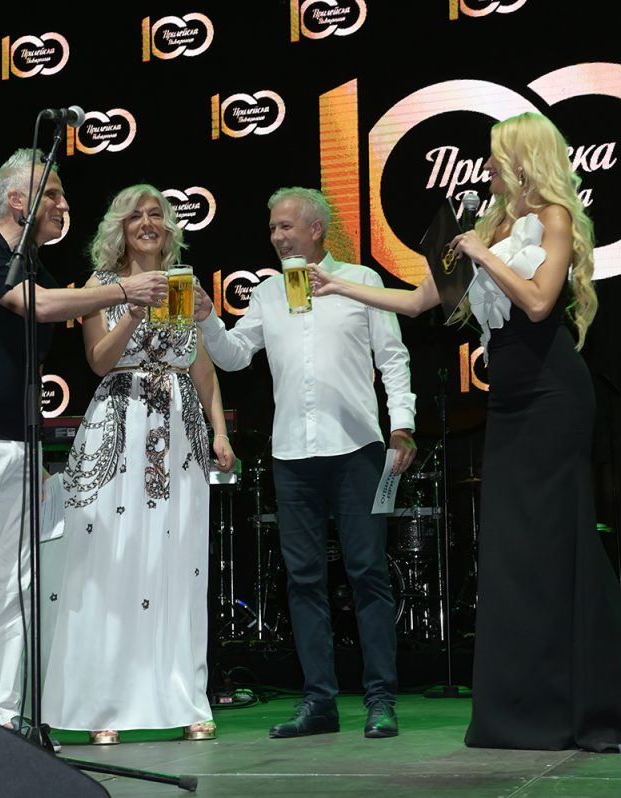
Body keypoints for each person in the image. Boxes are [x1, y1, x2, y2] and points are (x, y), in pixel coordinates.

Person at [308, 112, 621, 752]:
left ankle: (575, 702)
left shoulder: (551, 217)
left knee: (553, 546)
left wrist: (482, 255)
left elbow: (539, 301)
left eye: (494, 155)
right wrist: (339, 286)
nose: (485, 166)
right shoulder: (487, 226)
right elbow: (416, 303)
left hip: (552, 391)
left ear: (522, 159)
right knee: (513, 553)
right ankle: (525, 707)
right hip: (509, 399)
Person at [0, 149, 168, 729]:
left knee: (14, 587)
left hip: (19, 448)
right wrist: (124, 291)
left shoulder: (42, 272)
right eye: (52, 194)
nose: (63, 204)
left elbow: (37, 363)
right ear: (17, 199)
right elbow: (37, 306)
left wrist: (36, 449)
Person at [193, 187, 416, 739]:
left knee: (368, 573)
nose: (277, 236)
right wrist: (207, 318)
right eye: (273, 228)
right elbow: (235, 356)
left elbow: (392, 357)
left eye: (286, 226)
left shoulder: (361, 280)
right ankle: (319, 702)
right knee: (304, 580)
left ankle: (381, 700)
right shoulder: (268, 292)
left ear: (316, 228)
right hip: (292, 455)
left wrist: (402, 424)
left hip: (357, 449)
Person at [39, 184, 235, 745]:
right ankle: (104, 704)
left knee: (178, 565)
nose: (147, 223)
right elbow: (99, 361)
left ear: (168, 226)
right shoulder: (100, 285)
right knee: (111, 561)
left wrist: (219, 431)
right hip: (118, 430)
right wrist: (132, 310)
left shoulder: (183, 284)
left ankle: (184, 698)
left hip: (179, 435)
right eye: (135, 217)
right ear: (119, 229)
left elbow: (201, 368)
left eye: (156, 215)